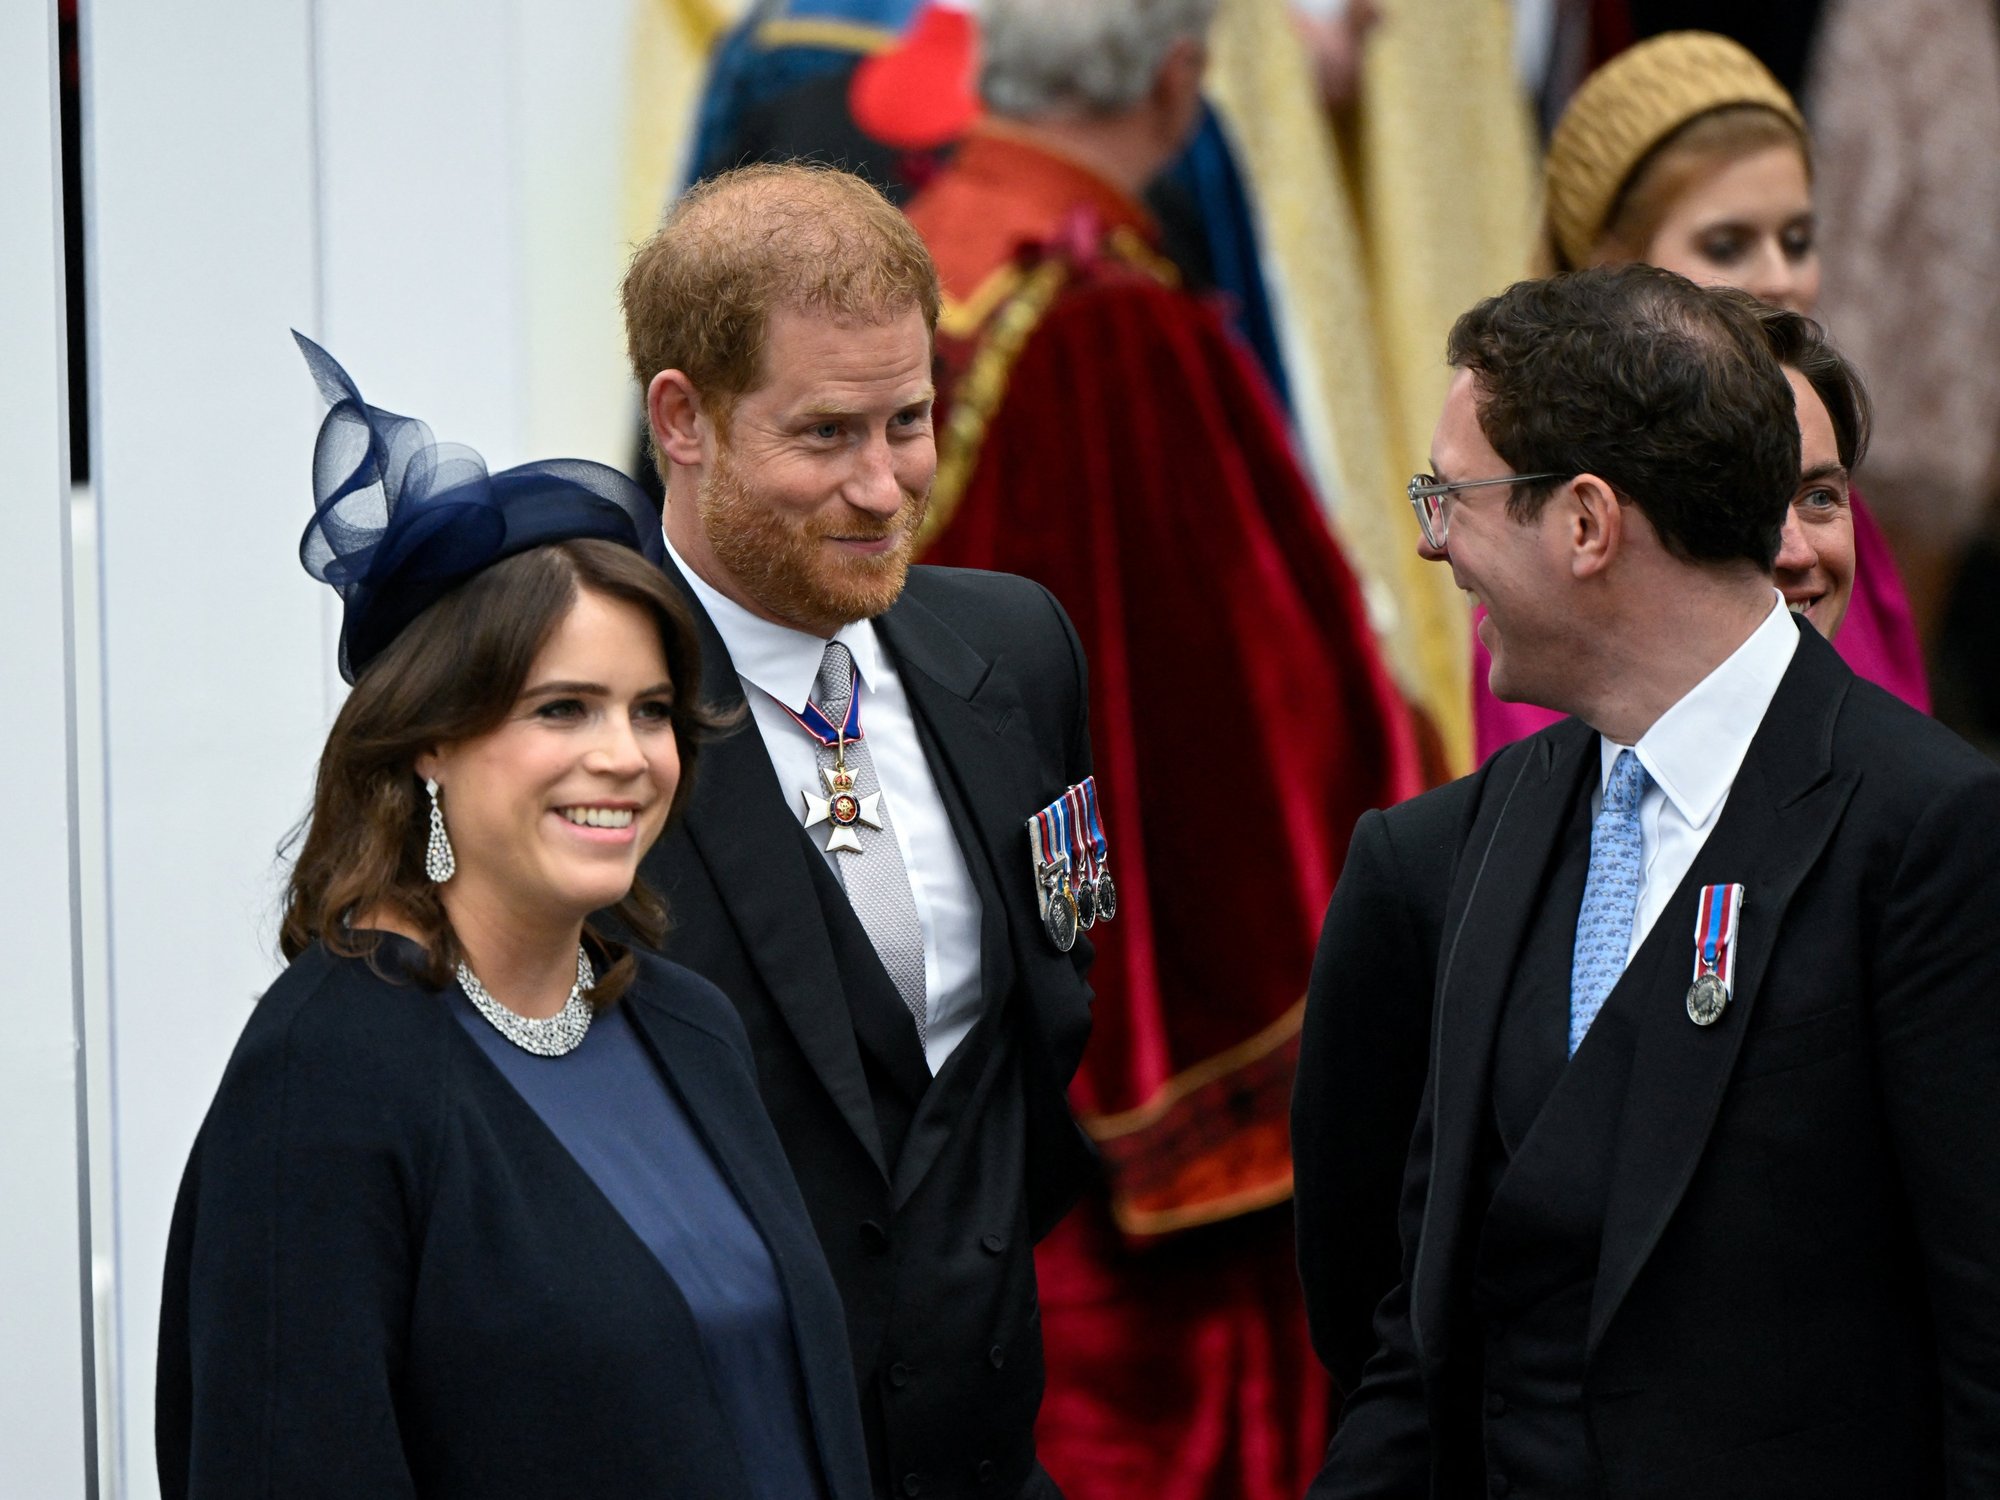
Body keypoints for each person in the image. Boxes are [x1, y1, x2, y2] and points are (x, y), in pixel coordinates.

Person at [1294, 265, 2000, 1495]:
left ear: (1585, 523)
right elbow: (1409, 1340)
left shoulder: (1929, 834)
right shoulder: (1463, 844)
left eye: (1451, 495)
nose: (1428, 540)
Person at [156, 338, 873, 1500]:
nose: (624, 756)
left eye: (649, 710)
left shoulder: (687, 1027)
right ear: (430, 738)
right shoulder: (326, 1075)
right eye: (561, 708)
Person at [902, 2, 1423, 1495]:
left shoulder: (922, 257)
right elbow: (1229, 702)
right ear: (1180, 79)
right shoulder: (1103, 321)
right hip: (1110, 1086)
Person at [621, 162, 1096, 1500]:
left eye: (909, 420)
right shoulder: (583, 726)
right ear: (683, 419)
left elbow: (1046, 1009)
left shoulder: (1018, 649)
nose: (885, 488)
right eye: (826, 434)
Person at [1474, 29, 1929, 761]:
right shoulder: (1562, 541)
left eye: (1798, 239)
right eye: (1727, 245)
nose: (1781, 278)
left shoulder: (1841, 518)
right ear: (1612, 269)